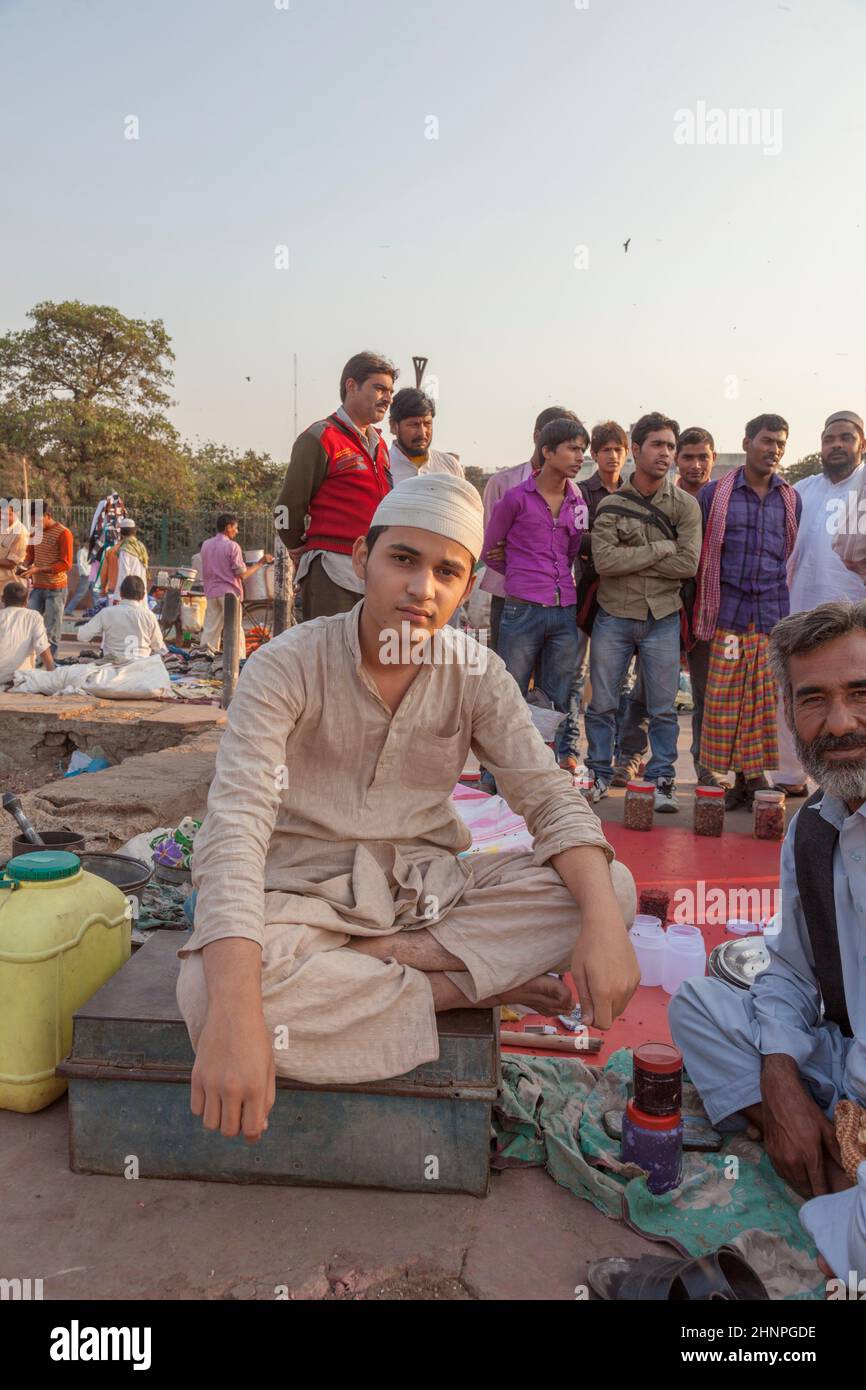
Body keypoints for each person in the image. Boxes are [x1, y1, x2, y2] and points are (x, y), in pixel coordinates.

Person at [177, 473, 639, 1136]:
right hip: (303, 897)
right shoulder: (285, 666)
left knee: (611, 892)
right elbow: (236, 829)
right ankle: (470, 987)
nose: (422, 589)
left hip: (428, 894)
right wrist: (237, 1012)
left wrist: (600, 920)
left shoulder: (476, 674)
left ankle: (382, 966)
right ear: (363, 560)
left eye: (447, 572)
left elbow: (546, 796)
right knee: (212, 995)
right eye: (403, 560)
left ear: (468, 586)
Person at [670, 600, 866, 1216]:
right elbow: (788, 971)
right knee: (698, 1005)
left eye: (861, 693)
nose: (838, 723)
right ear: (788, 713)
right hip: (840, 1062)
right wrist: (780, 1076)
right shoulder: (814, 825)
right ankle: (823, 1153)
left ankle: (827, 1166)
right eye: (813, 700)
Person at [586, 413, 702, 811]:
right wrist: (660, 550)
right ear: (636, 450)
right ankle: (599, 774)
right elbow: (604, 561)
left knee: (663, 708)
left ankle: (663, 780)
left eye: (671, 446)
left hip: (663, 617)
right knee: (602, 703)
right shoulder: (612, 504)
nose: (666, 454)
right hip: (615, 615)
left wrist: (631, 557)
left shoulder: (686, 506)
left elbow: (687, 565)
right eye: (657, 444)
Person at [694, 414, 801, 810]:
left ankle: (750, 777)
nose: (774, 449)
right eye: (767, 440)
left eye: (781, 444)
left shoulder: (790, 497)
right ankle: (720, 776)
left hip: (770, 612)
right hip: (728, 615)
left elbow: (786, 553)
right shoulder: (716, 494)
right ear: (746, 442)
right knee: (724, 700)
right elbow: (704, 556)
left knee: (761, 700)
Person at [482, 417, 589, 753]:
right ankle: (496, 774)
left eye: (582, 450)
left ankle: (541, 770)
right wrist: (518, 575)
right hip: (522, 608)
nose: (579, 457)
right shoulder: (515, 498)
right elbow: (490, 550)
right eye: (572, 449)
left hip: (563, 610)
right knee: (509, 692)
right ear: (547, 451)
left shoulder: (579, 501)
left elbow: (574, 549)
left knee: (554, 697)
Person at [773, 410, 866, 798]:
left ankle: (852, 780)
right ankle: (791, 776)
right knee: (800, 697)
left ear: (861, 443)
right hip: (801, 615)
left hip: (854, 622)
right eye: (830, 439)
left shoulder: (864, 485)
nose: (837, 445)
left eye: (846, 437)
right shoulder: (803, 489)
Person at [275, 350, 396, 621]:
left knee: (367, 659)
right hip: (333, 570)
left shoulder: (379, 445)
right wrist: (295, 546)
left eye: (390, 391)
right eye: (379, 388)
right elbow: (286, 508)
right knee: (330, 657)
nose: (387, 398)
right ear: (351, 386)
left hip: (372, 571)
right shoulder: (320, 437)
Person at [558, 421, 629, 773]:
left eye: (617, 449)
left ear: (625, 453)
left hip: (625, 600)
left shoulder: (634, 493)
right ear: (595, 455)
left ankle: (619, 755)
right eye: (605, 450)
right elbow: (577, 540)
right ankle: (568, 748)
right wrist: (617, 548)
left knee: (618, 680)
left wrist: (605, 548)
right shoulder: (581, 493)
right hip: (585, 596)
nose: (612, 456)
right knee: (574, 675)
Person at [479, 407, 580, 652]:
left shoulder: (574, 494)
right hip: (508, 595)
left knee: (551, 680)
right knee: (505, 678)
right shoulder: (502, 483)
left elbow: (569, 550)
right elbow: (490, 546)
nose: (573, 453)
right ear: (539, 438)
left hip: (556, 601)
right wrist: (522, 564)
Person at [199, 515, 272, 655]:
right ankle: (238, 662)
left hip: (211, 592)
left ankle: (202, 659)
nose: (237, 531)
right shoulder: (232, 547)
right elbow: (242, 574)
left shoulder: (206, 545)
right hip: (229, 595)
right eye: (235, 527)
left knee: (210, 630)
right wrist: (260, 563)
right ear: (228, 527)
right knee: (234, 630)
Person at [21, 502, 74, 657]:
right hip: (37, 587)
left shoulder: (64, 533)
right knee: (29, 626)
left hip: (55, 588)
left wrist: (39, 569)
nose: (33, 524)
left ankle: (51, 666)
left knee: (52, 630)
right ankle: (32, 661)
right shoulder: (34, 533)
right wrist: (25, 566)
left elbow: (66, 564)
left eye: (36, 521)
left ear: (47, 516)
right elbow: (30, 555)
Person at [76, 575, 168, 663]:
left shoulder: (107, 613)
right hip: (140, 670)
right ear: (143, 596)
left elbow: (82, 636)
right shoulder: (149, 616)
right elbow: (160, 648)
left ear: (120, 593)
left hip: (111, 669)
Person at [387, 388, 464, 484]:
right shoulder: (382, 468)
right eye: (414, 425)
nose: (422, 433)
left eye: (427, 423)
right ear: (393, 426)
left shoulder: (450, 466)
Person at [0, 580, 55, 686]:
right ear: (27, 601)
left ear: (2, 599)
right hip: (20, 679)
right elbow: (42, 647)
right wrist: (53, 676)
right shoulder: (34, 616)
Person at [103, 518, 149, 603]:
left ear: (121, 532)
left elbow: (123, 574)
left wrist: (118, 596)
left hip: (129, 594)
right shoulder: (141, 547)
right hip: (140, 591)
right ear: (135, 531)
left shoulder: (125, 549)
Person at [65, 536, 94, 614]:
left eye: (90, 542)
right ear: (84, 543)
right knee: (80, 594)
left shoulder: (91, 552)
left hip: (92, 574)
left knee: (95, 593)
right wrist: (85, 574)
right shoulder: (81, 551)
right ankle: (68, 610)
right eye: (87, 542)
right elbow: (80, 564)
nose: (88, 544)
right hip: (86, 575)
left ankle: (97, 611)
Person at [0, 504, 29, 578]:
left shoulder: (21, 533)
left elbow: (12, 563)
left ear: (17, 513)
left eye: (6, 514)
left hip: (9, 583)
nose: (2, 517)